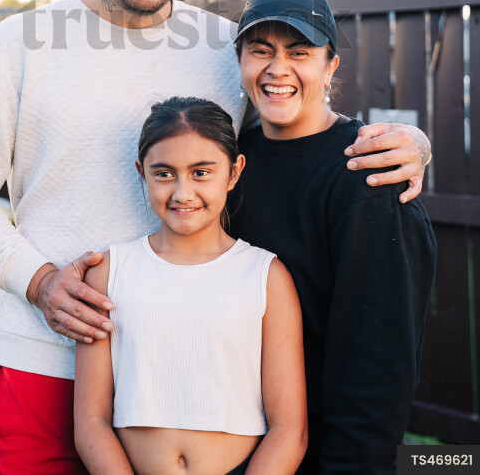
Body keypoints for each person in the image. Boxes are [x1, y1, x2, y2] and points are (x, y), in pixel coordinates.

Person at [0, 0, 431, 473]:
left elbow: (295, 112)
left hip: (191, 378)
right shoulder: (18, 44)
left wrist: (414, 142)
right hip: (49, 357)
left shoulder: (223, 47)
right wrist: (39, 281)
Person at [228, 0, 437, 474]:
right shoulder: (234, 162)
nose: (277, 69)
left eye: (299, 52)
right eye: (261, 51)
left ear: (330, 67)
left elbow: (378, 374)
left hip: (326, 454)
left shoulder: (370, 175)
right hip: (238, 445)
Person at [74, 97, 308, 475]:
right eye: (164, 173)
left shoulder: (266, 276)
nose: (182, 193)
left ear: (233, 173)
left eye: (201, 172)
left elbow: (289, 429)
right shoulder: (109, 274)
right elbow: (90, 420)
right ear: (141, 172)